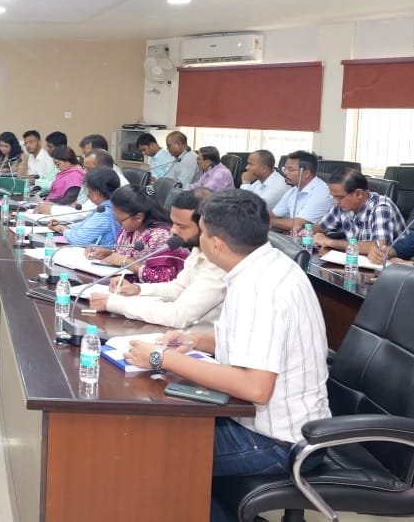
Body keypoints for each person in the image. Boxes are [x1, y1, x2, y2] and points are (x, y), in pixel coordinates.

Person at [123, 190, 329, 522]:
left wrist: (163, 359)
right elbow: (258, 341)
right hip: (270, 423)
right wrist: (196, 341)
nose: (199, 240)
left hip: (278, 440)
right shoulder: (266, 265)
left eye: (202, 233)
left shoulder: (258, 289)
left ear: (216, 244)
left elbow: (255, 388)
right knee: (159, 429)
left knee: (153, 453)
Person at [89, 189, 226, 329]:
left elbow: (179, 316)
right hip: (184, 333)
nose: (173, 230)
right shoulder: (198, 249)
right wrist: (137, 289)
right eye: (173, 223)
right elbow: (179, 288)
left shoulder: (220, 263)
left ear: (205, 226)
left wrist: (113, 303)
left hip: (200, 337)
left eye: (182, 226)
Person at [89, 184, 188, 283]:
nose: (117, 223)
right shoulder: (132, 228)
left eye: (120, 220)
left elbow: (164, 279)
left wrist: (128, 262)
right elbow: (124, 255)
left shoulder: (161, 236)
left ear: (138, 217)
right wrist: (108, 254)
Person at [312, 169, 405, 256]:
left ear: (358, 194)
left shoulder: (381, 206)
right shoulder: (342, 205)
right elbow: (321, 228)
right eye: (333, 197)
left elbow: (379, 248)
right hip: (359, 260)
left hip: (396, 263)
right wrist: (308, 232)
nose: (335, 202)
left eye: (339, 197)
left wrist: (330, 242)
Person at [49, 167, 121, 247]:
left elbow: (78, 240)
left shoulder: (105, 213)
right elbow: (83, 226)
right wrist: (65, 226)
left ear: (97, 194)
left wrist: (62, 229)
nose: (87, 194)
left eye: (88, 190)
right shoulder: (111, 206)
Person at [269, 150, 333, 233]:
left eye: (290, 169)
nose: (285, 173)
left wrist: (265, 221)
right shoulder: (293, 190)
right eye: (285, 168)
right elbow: (274, 214)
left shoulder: (321, 193)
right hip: (294, 237)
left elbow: (297, 224)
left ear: (306, 173)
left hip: (312, 239)